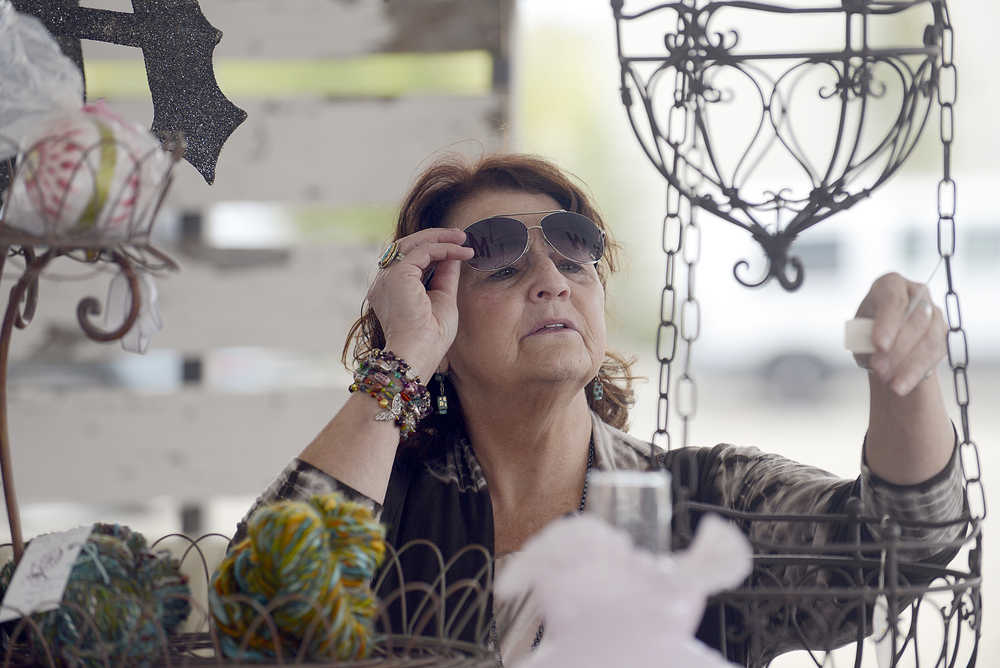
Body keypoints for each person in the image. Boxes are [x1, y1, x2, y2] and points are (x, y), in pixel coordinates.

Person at [235, 153, 965, 665]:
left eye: (573, 257)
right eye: (502, 265)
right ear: (440, 323)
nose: (552, 280)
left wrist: (902, 377)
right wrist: (402, 361)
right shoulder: (379, 515)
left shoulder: (703, 502)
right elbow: (255, 609)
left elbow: (899, 547)